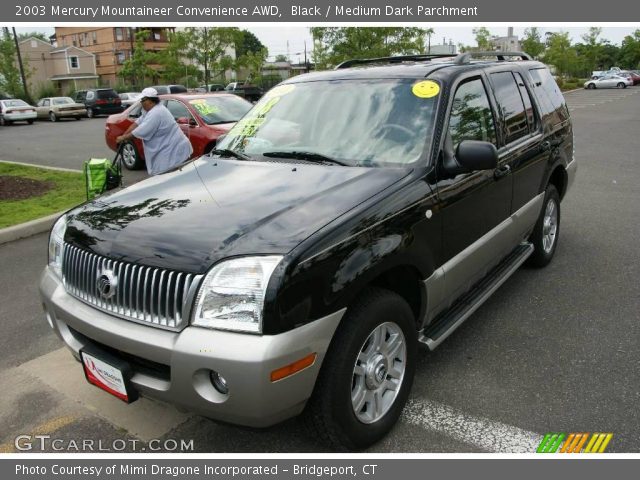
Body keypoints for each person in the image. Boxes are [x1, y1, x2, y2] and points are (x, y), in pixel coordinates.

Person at [116, 87, 193, 175]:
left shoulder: (156, 113)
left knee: (169, 178)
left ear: (150, 100)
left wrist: (123, 138)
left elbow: (140, 131)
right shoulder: (149, 111)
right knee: (165, 176)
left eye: (142, 100)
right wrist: (125, 134)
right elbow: (136, 123)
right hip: (166, 150)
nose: (141, 103)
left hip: (173, 150)